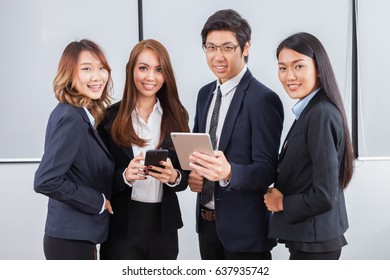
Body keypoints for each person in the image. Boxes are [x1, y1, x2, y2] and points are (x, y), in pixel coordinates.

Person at [188, 9, 284, 260]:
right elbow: (199, 152)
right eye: (210, 47)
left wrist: (229, 172)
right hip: (207, 226)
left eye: (227, 47)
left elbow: (267, 169)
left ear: (246, 47)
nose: (217, 56)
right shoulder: (204, 94)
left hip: (246, 235)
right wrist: (195, 176)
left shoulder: (262, 100)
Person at [264, 32, 355, 260]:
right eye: (282, 68)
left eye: (298, 66)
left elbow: (323, 195)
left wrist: (281, 202)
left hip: (316, 242)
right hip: (310, 239)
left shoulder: (320, 114)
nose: (289, 76)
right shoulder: (310, 111)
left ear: (319, 69)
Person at [98, 39, 190, 260]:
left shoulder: (178, 116)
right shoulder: (109, 118)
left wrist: (174, 176)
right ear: (131, 71)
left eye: (159, 70)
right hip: (122, 225)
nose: (151, 77)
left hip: (163, 226)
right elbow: (97, 178)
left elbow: (186, 176)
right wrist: (124, 176)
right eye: (143, 68)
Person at [34, 39, 114, 260]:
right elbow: (45, 180)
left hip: (78, 238)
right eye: (87, 69)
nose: (97, 77)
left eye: (101, 68)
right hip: (70, 241)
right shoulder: (71, 117)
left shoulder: (80, 115)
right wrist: (98, 201)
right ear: (69, 73)